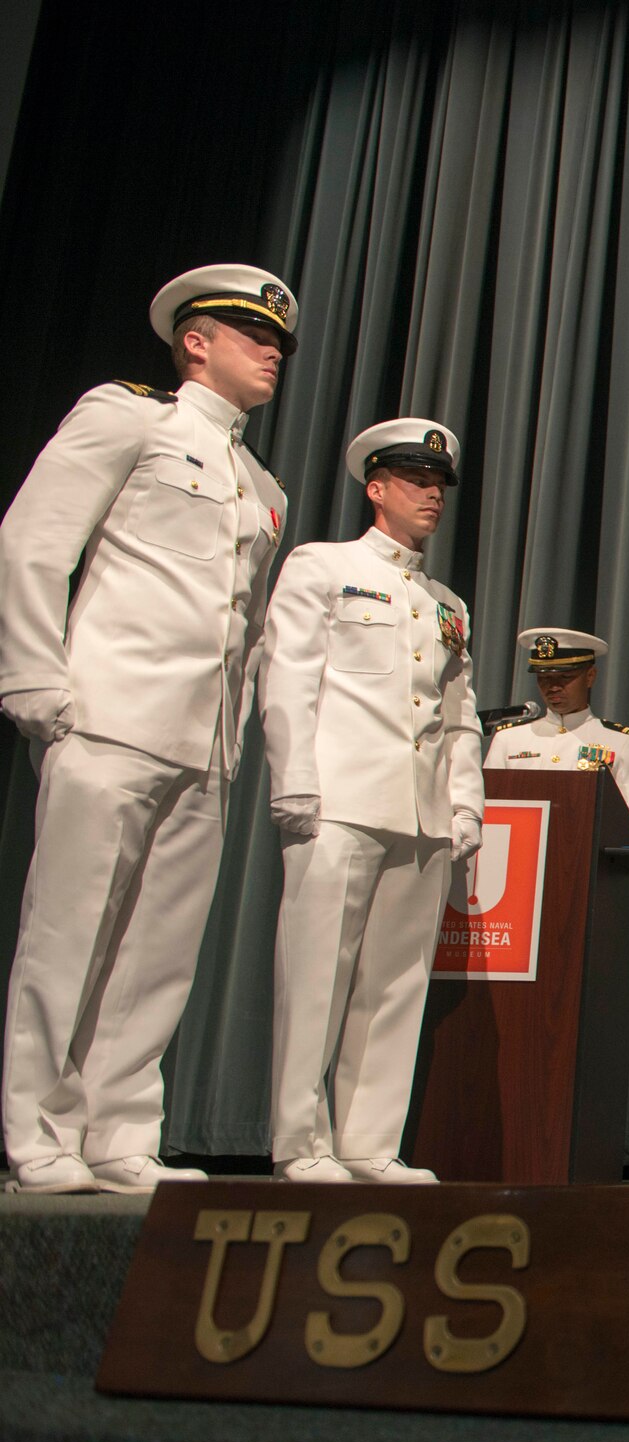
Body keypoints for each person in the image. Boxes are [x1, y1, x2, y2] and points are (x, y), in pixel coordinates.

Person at [0, 264, 296, 1193]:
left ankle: (119, 1132)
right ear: (194, 343)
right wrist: (34, 679)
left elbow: (245, 628)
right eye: (254, 335)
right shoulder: (129, 419)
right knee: (70, 934)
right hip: (112, 712)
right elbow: (34, 540)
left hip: (203, 741)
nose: (274, 351)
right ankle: (35, 1134)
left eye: (280, 342)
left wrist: (233, 738)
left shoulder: (263, 485)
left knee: (157, 952)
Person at [260, 420, 484, 1184]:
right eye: (417, 480)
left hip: (421, 812)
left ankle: (368, 1145)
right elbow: (288, 675)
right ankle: (300, 1144)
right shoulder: (324, 566)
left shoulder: (447, 604)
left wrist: (465, 804)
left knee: (396, 985)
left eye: (440, 484)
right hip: (340, 799)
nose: (432, 494)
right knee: (316, 977)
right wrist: (293, 778)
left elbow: (458, 714)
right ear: (376, 488)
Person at [486, 628, 629, 843]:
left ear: (590, 677)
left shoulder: (621, 743)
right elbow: (487, 807)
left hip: (583, 855)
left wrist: (593, 829)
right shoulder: (509, 739)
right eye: (544, 677)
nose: (553, 687)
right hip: (520, 851)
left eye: (565, 677)